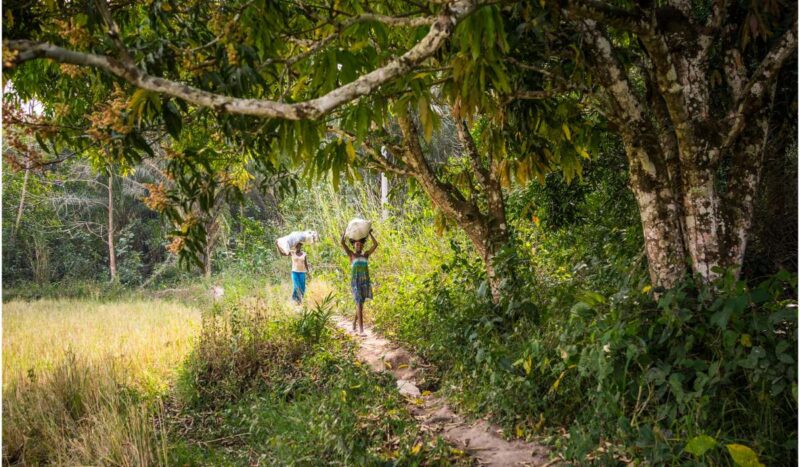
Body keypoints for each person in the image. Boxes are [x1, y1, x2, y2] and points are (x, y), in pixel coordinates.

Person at [340, 230, 378, 335]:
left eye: (360, 245)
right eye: (357, 244)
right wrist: (345, 232)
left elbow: (376, 244)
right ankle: (361, 330)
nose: (359, 246)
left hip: (365, 282)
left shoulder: (366, 255)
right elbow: (342, 243)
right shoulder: (351, 255)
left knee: (361, 305)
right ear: (354, 246)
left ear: (362, 246)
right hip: (355, 283)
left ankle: (354, 322)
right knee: (359, 304)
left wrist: (370, 234)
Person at [277, 240, 309, 304]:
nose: (298, 247)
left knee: (302, 288)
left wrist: (308, 273)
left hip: (302, 273)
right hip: (295, 272)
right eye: (296, 246)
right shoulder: (292, 253)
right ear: (295, 247)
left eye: (299, 245)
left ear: (300, 246)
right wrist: (277, 246)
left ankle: (300, 301)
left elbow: (306, 264)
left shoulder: (304, 254)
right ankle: (293, 300)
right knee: (296, 287)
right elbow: (282, 254)